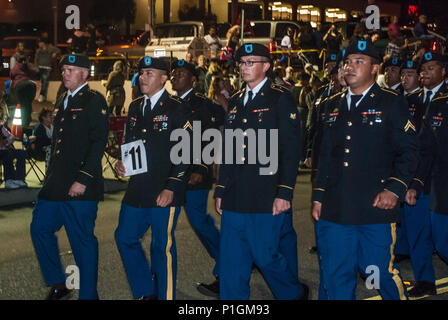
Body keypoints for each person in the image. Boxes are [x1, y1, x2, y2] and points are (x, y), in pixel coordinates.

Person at [311, 39, 418, 300]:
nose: (350, 67)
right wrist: (318, 196)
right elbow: (323, 156)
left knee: (377, 272)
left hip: (375, 207)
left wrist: (394, 189)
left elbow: (410, 150)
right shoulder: (330, 105)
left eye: (359, 61)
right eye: (348, 62)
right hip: (336, 206)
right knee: (336, 273)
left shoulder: (391, 103)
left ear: (374, 69)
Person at [214, 43, 309, 300]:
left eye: (251, 62)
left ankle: (292, 294)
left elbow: (290, 150)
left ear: (266, 66)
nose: (244, 68)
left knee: (265, 255)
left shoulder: (280, 98)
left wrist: (284, 192)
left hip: (266, 191)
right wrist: (221, 189)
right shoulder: (235, 101)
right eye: (242, 63)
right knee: (232, 260)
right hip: (235, 193)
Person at [30, 54, 110, 300]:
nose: (65, 73)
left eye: (71, 70)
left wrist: (83, 179)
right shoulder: (63, 98)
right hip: (56, 183)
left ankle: (88, 295)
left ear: (85, 74)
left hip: (80, 184)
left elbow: (98, 143)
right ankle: (58, 283)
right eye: (63, 69)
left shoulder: (94, 100)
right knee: (39, 228)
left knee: (82, 241)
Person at [114, 57, 193, 300]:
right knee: (124, 237)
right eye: (141, 72)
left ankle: (166, 297)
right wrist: (123, 163)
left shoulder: (177, 107)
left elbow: (185, 152)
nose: (142, 77)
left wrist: (171, 188)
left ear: (163, 78)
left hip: (164, 190)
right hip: (138, 187)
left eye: (149, 73)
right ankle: (145, 292)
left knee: (162, 247)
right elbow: (131, 142)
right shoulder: (137, 106)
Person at [171, 59, 224, 298]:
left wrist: (201, 169)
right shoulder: (168, 103)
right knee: (163, 226)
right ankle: (159, 274)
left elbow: (210, 138)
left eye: (181, 73)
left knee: (199, 221)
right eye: (173, 73)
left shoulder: (203, 105)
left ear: (193, 79)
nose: (175, 77)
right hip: (170, 175)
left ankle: (226, 268)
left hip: (194, 175)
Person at [403, 52, 447, 298]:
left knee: (442, 240)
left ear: (443, 71)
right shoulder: (413, 100)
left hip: (442, 178)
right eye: (423, 69)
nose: (425, 73)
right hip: (417, 177)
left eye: (431, 68)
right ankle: (425, 280)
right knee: (417, 232)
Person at [0, 106, 27, 189]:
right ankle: (8, 180)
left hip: (5, 148)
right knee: (7, 154)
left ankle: (19, 179)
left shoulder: (1, 126)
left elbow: (11, 136)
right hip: (3, 151)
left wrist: (6, 142)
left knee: (21, 153)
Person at [9, 55, 37, 129]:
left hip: (20, 85)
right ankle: (27, 120)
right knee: (28, 103)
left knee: (22, 104)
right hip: (31, 85)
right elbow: (34, 72)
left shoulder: (15, 67)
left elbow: (11, 75)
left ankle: (24, 123)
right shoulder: (27, 66)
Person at [28, 108, 54, 172]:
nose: (52, 117)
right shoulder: (39, 127)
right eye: (50, 116)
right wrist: (51, 141)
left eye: (52, 115)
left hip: (51, 148)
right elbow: (39, 141)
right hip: (39, 151)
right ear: (43, 118)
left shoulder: (53, 126)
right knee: (50, 149)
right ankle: (48, 173)